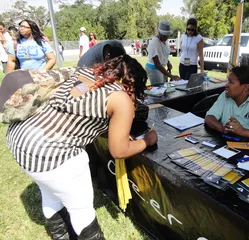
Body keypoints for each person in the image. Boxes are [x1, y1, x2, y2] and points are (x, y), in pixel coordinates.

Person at [4, 54, 158, 239]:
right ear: (132, 85)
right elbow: (119, 151)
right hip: (52, 151)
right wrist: (147, 141)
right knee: (81, 210)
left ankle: (60, 235)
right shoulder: (120, 97)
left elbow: (81, 113)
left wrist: (120, 132)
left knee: (51, 193)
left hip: (20, 140)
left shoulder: (86, 74)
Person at [145, 20, 180, 86]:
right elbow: (157, 63)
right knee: (159, 90)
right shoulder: (154, 43)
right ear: (159, 32)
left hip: (161, 67)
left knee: (164, 89)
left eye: (167, 35)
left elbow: (163, 54)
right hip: (154, 69)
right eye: (164, 35)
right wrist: (171, 76)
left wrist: (168, 62)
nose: (166, 37)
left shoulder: (165, 40)